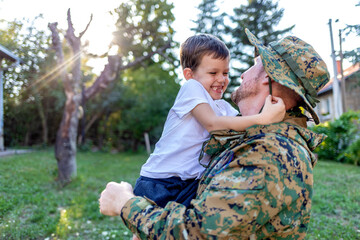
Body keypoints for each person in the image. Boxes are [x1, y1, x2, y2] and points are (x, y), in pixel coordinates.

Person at [99, 29, 330, 239]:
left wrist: (124, 203)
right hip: (162, 182)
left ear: (268, 75)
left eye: (253, 65)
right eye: (214, 72)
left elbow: (197, 233)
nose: (239, 76)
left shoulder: (269, 152)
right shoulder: (259, 134)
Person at [131, 33, 285, 211]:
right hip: (160, 181)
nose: (222, 79)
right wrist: (263, 118)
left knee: (178, 230)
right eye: (213, 73)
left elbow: (242, 125)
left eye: (225, 73)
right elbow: (212, 124)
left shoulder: (222, 106)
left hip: (191, 184)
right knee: (149, 229)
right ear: (190, 74)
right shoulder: (191, 88)